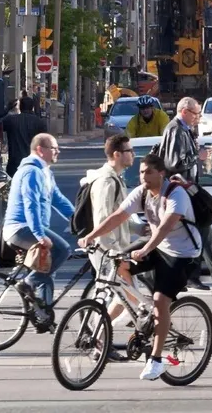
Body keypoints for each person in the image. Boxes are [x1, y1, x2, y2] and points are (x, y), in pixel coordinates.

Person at [79, 153, 201, 381]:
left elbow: (165, 227)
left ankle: (156, 361)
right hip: (157, 245)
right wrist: (91, 236)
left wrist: (145, 250)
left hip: (182, 253)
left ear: (161, 173)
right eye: (141, 172)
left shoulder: (176, 194)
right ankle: (139, 308)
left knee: (160, 301)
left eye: (148, 172)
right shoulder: (142, 192)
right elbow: (118, 216)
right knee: (119, 265)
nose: (143, 176)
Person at [158, 97, 212, 288]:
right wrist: (197, 156)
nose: (198, 117)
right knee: (198, 230)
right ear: (184, 112)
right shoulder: (176, 130)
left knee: (203, 228)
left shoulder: (185, 130)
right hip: (181, 189)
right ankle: (195, 276)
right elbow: (173, 163)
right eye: (195, 114)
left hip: (188, 188)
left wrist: (200, 156)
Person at [2, 133, 75, 329]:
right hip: (20, 228)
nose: (58, 151)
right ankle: (27, 283)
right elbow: (31, 206)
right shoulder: (31, 172)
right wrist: (40, 235)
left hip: (31, 228)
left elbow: (58, 199)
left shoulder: (45, 172)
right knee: (63, 250)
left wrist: (78, 220)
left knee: (48, 268)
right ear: (40, 150)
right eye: (54, 148)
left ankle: (43, 317)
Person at [81, 132, 139, 344]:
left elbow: (120, 217)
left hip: (116, 249)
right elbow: (103, 220)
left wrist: (141, 230)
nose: (133, 155)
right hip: (107, 251)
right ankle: (98, 337)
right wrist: (113, 252)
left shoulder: (116, 179)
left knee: (128, 297)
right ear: (116, 154)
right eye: (129, 151)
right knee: (129, 297)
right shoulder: (106, 181)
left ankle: (99, 338)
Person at [2, 97, 46, 177]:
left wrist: (7, 109)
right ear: (32, 107)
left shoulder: (11, 120)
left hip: (15, 164)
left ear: (20, 107)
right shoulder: (39, 122)